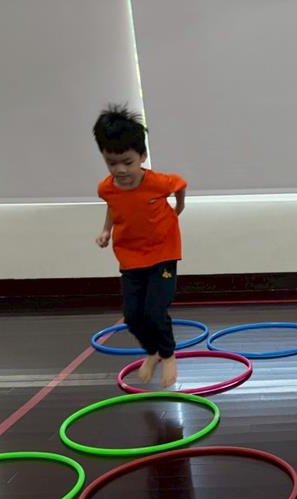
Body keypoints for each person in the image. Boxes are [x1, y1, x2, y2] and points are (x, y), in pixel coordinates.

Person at [93, 104, 187, 388]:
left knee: (154, 311)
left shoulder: (158, 182)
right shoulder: (106, 188)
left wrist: (178, 208)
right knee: (133, 317)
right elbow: (114, 205)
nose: (120, 170)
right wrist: (106, 230)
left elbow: (180, 185)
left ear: (142, 156)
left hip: (163, 253)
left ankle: (168, 355)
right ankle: (153, 351)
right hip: (130, 257)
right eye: (112, 163)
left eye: (127, 162)